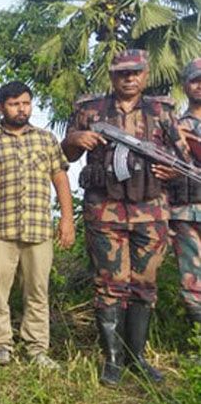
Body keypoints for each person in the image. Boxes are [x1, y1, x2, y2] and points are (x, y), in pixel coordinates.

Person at [62, 49, 184, 386]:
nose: (129, 78)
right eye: (122, 73)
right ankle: (113, 360)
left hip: (151, 209)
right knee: (110, 286)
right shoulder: (90, 109)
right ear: (112, 75)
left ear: (145, 74)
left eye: (135, 73)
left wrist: (172, 171)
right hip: (105, 210)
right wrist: (76, 138)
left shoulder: (161, 111)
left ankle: (137, 357)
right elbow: (68, 153)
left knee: (144, 285)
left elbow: (181, 158)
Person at [0, 81, 75, 369]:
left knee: (38, 291)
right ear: (1, 107)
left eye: (26, 103)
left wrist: (67, 219)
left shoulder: (46, 139)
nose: (21, 109)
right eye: (15, 104)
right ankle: (0, 345)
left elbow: (60, 178)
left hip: (38, 228)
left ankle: (37, 348)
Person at [169, 59, 201, 334]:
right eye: (195, 80)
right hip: (186, 213)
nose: (200, 86)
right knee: (192, 281)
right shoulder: (175, 127)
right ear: (185, 85)